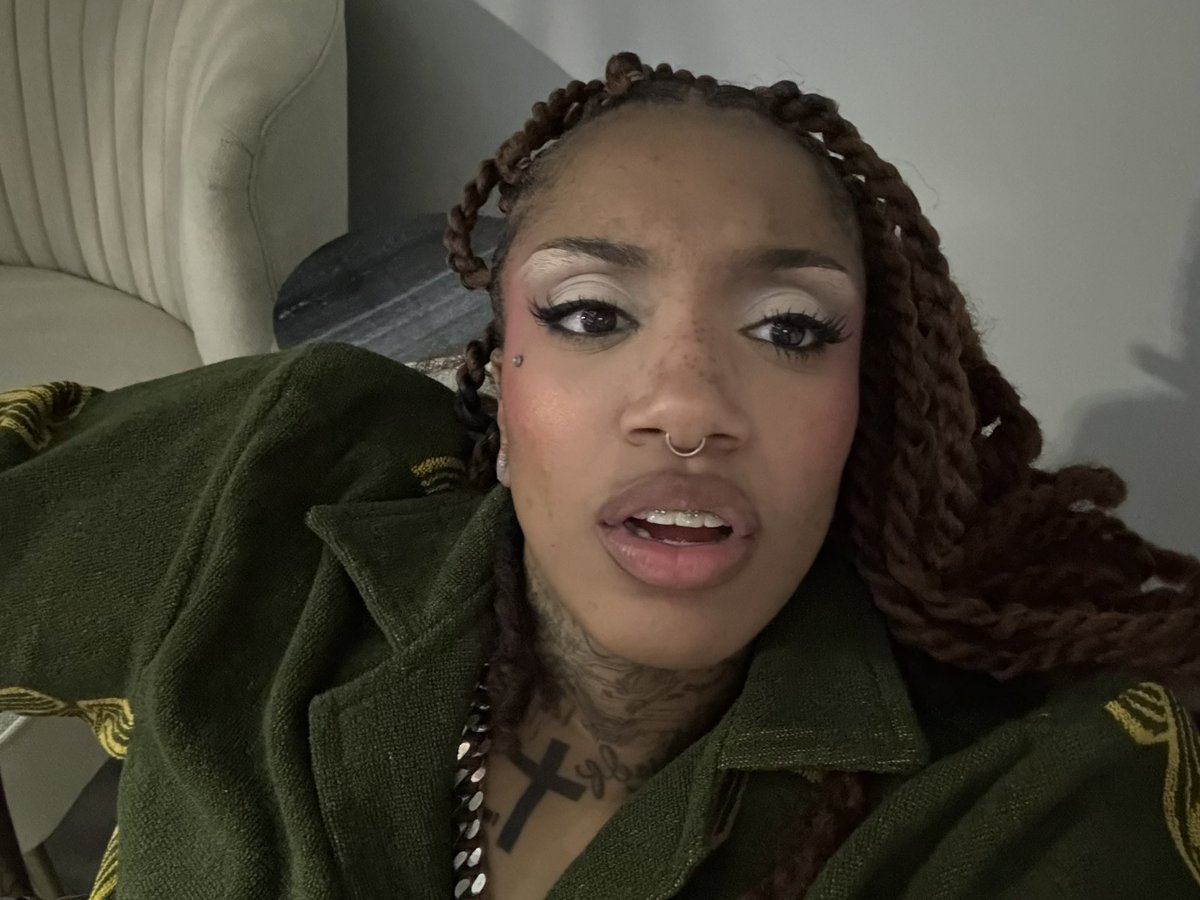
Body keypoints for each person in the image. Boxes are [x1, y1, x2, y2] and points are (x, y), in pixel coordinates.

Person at [2, 51, 1199, 900]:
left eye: (788, 328)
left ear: (864, 405)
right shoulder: (278, 476)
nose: (686, 404)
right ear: (501, 374)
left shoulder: (1034, 800)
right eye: (589, 312)